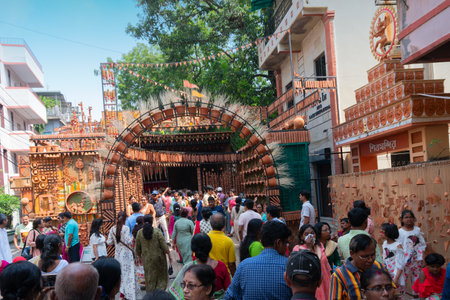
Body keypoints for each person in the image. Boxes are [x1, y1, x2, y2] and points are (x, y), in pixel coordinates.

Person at [225, 221, 292, 300]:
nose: (286, 247)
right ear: (278, 243)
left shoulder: (244, 266)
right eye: (286, 243)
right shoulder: (289, 266)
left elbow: (229, 296)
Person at [170, 233, 231, 299]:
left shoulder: (189, 268)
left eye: (191, 285)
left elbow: (176, 290)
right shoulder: (221, 266)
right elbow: (228, 289)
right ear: (210, 247)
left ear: (193, 249)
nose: (185, 290)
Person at [330, 234, 389, 300]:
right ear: (352, 254)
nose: (370, 260)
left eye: (373, 255)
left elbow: (392, 291)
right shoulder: (339, 276)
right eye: (365, 257)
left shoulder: (380, 267)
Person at [292, 224, 331, 299]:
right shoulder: (297, 249)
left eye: (312, 233)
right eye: (306, 234)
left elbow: (326, 265)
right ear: (301, 237)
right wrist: (309, 247)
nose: (310, 236)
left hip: (325, 281)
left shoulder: (320, 246)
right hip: (311, 285)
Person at [135, 214, 172, 291]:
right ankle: (160, 293)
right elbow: (164, 246)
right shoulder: (157, 232)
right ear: (152, 222)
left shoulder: (139, 233)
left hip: (147, 260)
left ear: (143, 222)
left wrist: (139, 258)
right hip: (159, 259)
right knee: (161, 277)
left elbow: (137, 249)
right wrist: (169, 256)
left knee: (149, 278)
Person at [106, 211, 136, 300]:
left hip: (118, 254)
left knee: (121, 274)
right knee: (128, 274)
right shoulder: (126, 228)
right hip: (127, 254)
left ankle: (122, 295)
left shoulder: (112, 229)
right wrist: (133, 238)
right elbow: (128, 241)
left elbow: (109, 242)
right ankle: (125, 295)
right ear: (125, 219)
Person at [397, 209, 426, 292]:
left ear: (414, 219)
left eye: (410, 217)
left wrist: (423, 258)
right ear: (402, 219)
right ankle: (401, 297)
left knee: (417, 280)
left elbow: (422, 245)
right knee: (403, 280)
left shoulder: (417, 230)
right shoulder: (400, 232)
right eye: (406, 217)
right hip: (404, 261)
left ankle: (416, 297)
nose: (408, 219)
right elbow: (398, 247)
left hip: (417, 260)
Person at [380, 222, 406, 292]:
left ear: (388, 233)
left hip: (396, 274)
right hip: (387, 273)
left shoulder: (397, 245)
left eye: (382, 232)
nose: (380, 233)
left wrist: (396, 278)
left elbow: (400, 264)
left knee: (397, 294)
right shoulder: (385, 243)